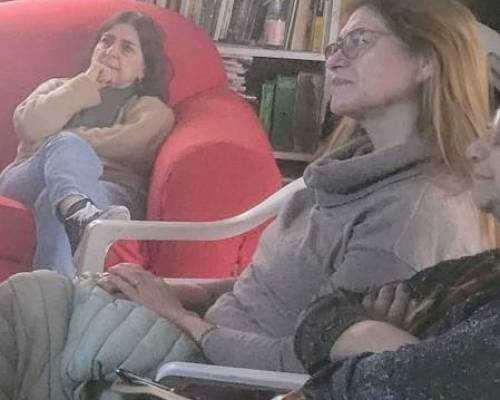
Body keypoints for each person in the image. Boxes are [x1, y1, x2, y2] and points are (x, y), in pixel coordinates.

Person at [96, 0, 493, 373]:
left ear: (426, 60)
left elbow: (310, 364)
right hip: (200, 338)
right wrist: (185, 292)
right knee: (71, 295)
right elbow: (280, 291)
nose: (334, 59)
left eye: (359, 41)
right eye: (335, 45)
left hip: (207, 371)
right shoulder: (350, 169)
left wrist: (178, 317)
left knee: (59, 318)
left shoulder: (410, 218)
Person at [286, 111, 500, 400]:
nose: (473, 150)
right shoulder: (484, 270)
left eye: (499, 142)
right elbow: (321, 315)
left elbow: (344, 388)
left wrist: (399, 360)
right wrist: (399, 348)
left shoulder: (416, 215)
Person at [0, 11, 175, 277]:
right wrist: (86, 84)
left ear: (144, 69)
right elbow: (28, 125)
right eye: (106, 41)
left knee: (53, 198)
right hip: (27, 177)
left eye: (127, 48)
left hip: (108, 188)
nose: (111, 51)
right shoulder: (57, 87)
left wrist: (60, 137)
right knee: (65, 147)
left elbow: (129, 147)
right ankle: (81, 215)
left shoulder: (153, 111)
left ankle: (51, 292)